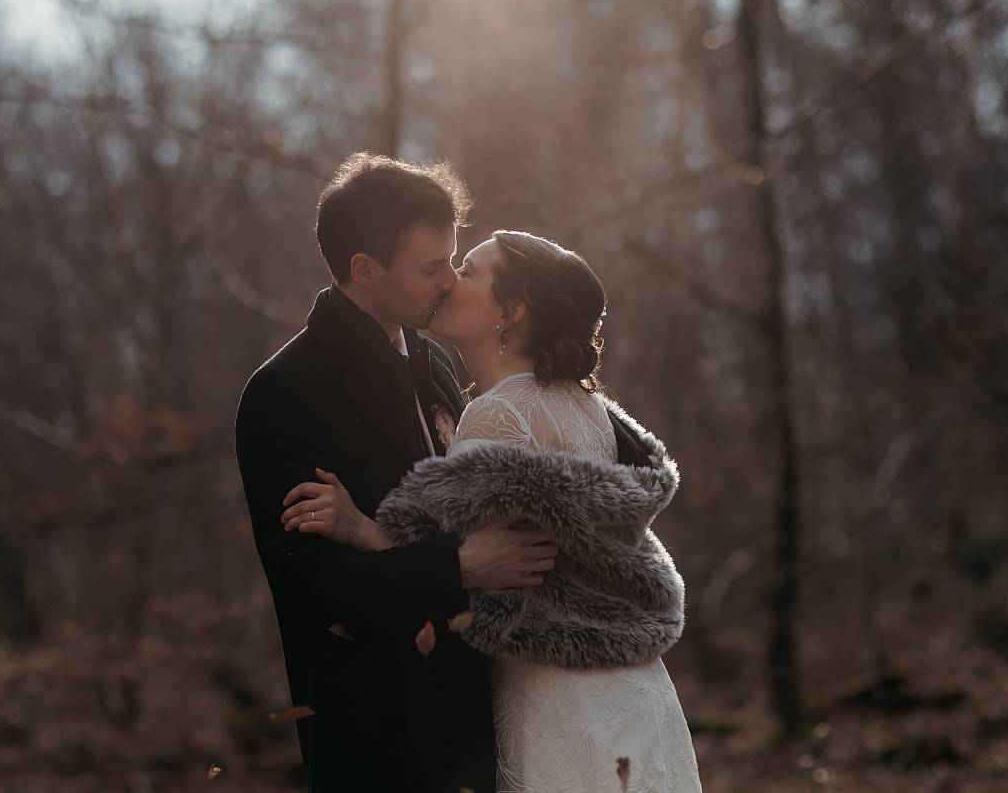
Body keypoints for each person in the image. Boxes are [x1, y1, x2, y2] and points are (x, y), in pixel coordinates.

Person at [284, 229, 703, 792]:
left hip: (558, 703)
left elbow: (460, 565)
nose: (450, 280)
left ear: (511, 311)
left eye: (470, 272)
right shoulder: (590, 408)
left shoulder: (496, 414)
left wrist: (360, 528)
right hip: (637, 698)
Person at [234, 154, 558, 793]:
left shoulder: (433, 359)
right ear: (364, 269)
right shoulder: (283, 391)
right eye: (432, 268)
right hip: (376, 732)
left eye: (453, 259)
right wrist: (458, 566)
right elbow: (311, 585)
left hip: (475, 711)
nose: (450, 281)